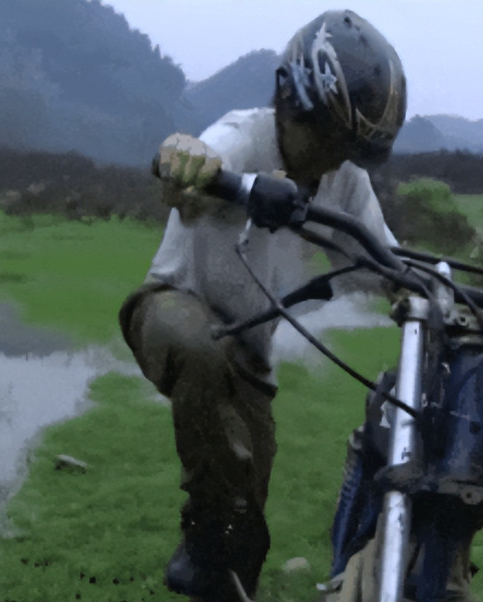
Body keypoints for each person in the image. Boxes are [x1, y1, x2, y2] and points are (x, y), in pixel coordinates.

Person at [118, 10, 406, 600]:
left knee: (244, 534)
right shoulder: (243, 137)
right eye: (324, 137)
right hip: (171, 309)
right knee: (201, 348)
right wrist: (186, 161)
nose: (331, 158)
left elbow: (386, 261)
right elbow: (187, 169)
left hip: (250, 359)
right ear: (288, 102)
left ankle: (221, 566)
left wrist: (433, 294)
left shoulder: (345, 181)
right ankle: (202, 535)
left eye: (346, 147)